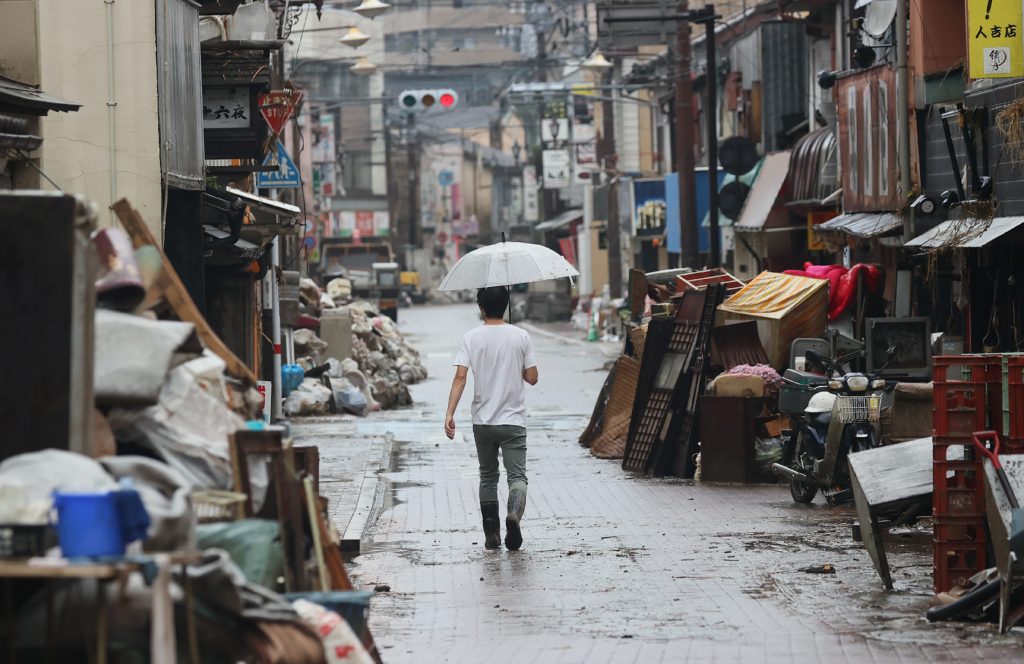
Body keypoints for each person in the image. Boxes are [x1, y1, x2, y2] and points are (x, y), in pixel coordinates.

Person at [444, 286, 538, 551]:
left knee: (488, 477)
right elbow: (532, 378)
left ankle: (491, 535)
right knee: (517, 476)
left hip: (483, 422)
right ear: (506, 304)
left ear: (481, 307)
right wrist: (515, 363)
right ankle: (514, 515)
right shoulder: (521, 336)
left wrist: (449, 413)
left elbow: (460, 377)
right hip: (513, 421)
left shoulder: (470, 337)